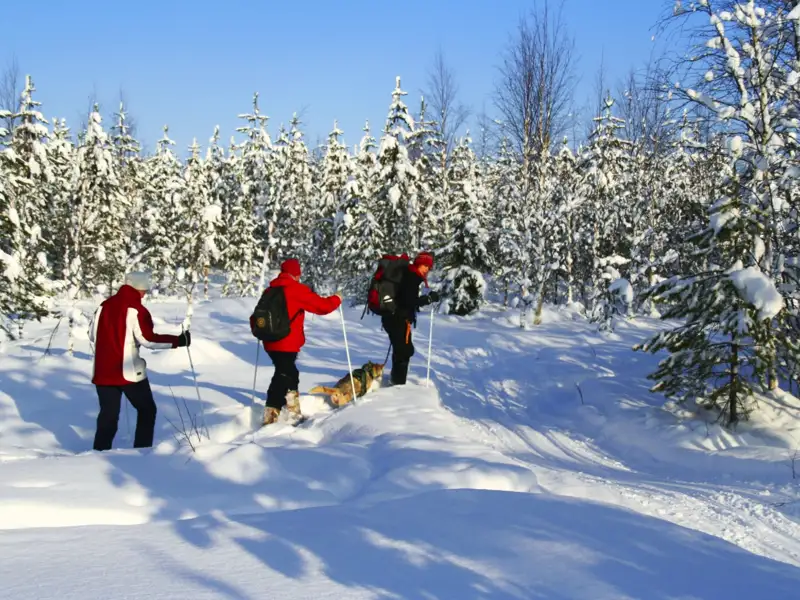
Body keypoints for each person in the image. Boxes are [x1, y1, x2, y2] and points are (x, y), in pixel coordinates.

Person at [88, 272, 190, 451]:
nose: (144, 293)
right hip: (128, 372)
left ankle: (99, 453)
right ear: (138, 289)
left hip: (103, 372)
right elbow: (148, 339)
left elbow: (91, 335)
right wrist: (178, 340)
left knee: (108, 416)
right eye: (144, 289)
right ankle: (142, 452)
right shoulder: (136, 310)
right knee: (147, 410)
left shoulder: (103, 307)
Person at [257, 258, 342, 425]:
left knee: (287, 373)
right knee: (285, 375)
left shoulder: (270, 289)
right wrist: (337, 299)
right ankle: (278, 414)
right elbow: (322, 306)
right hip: (286, 342)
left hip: (269, 340)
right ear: (295, 274)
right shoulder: (295, 289)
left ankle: (286, 412)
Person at [382, 252, 440, 385]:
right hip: (397, 319)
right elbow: (408, 301)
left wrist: (426, 297)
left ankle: (396, 381)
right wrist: (427, 299)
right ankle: (398, 384)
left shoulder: (410, 275)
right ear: (418, 264)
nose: (427, 269)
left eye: (429, 267)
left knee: (402, 350)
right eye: (425, 265)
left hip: (394, 318)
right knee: (404, 351)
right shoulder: (411, 276)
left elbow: (406, 298)